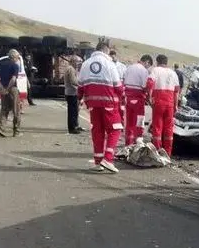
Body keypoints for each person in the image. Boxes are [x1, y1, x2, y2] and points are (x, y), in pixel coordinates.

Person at [77, 39, 124, 173]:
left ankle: (98, 162)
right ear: (106, 49)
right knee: (115, 129)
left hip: (92, 104)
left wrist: (80, 99)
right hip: (108, 103)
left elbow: (80, 87)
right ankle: (108, 159)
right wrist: (122, 97)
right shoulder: (109, 64)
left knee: (97, 132)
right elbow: (118, 86)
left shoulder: (85, 64)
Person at [146, 54, 180, 157]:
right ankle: (167, 153)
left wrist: (150, 97)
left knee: (157, 127)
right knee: (168, 129)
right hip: (170, 103)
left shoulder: (156, 70)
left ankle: (157, 151)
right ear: (166, 62)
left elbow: (150, 83)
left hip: (159, 102)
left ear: (157, 62)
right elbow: (177, 91)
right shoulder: (173, 73)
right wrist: (176, 105)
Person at [123, 54, 152, 146]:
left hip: (128, 97)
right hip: (138, 98)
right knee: (139, 121)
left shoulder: (129, 67)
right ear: (147, 62)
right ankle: (138, 142)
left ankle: (128, 143)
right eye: (148, 65)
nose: (148, 67)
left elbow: (124, 81)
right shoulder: (144, 71)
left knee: (129, 122)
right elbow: (144, 86)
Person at [0, 49, 22, 137]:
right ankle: (16, 131)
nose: (18, 59)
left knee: (4, 109)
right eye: (18, 57)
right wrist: (8, 88)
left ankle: (1, 128)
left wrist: (2, 87)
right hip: (12, 89)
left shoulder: (1, 64)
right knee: (16, 110)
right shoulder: (15, 66)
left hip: (2, 89)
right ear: (14, 57)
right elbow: (13, 79)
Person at [64, 54, 84, 134]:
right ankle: (72, 128)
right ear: (73, 61)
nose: (78, 63)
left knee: (75, 111)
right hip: (71, 93)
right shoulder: (71, 69)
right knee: (72, 111)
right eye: (78, 61)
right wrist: (81, 84)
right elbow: (73, 81)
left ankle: (75, 125)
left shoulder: (71, 68)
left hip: (71, 92)